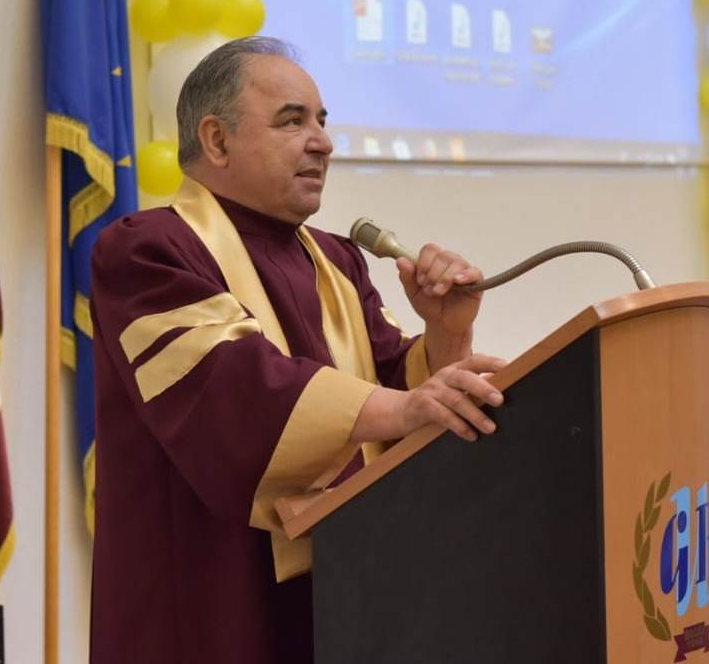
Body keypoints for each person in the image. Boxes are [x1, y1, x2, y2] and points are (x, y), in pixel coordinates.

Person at [88, 36, 505, 664]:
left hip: (349, 590)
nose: (323, 143)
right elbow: (234, 391)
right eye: (292, 121)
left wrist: (445, 336)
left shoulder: (337, 261)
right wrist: (405, 407)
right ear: (216, 140)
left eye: (322, 121)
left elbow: (396, 391)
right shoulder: (148, 252)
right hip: (208, 599)